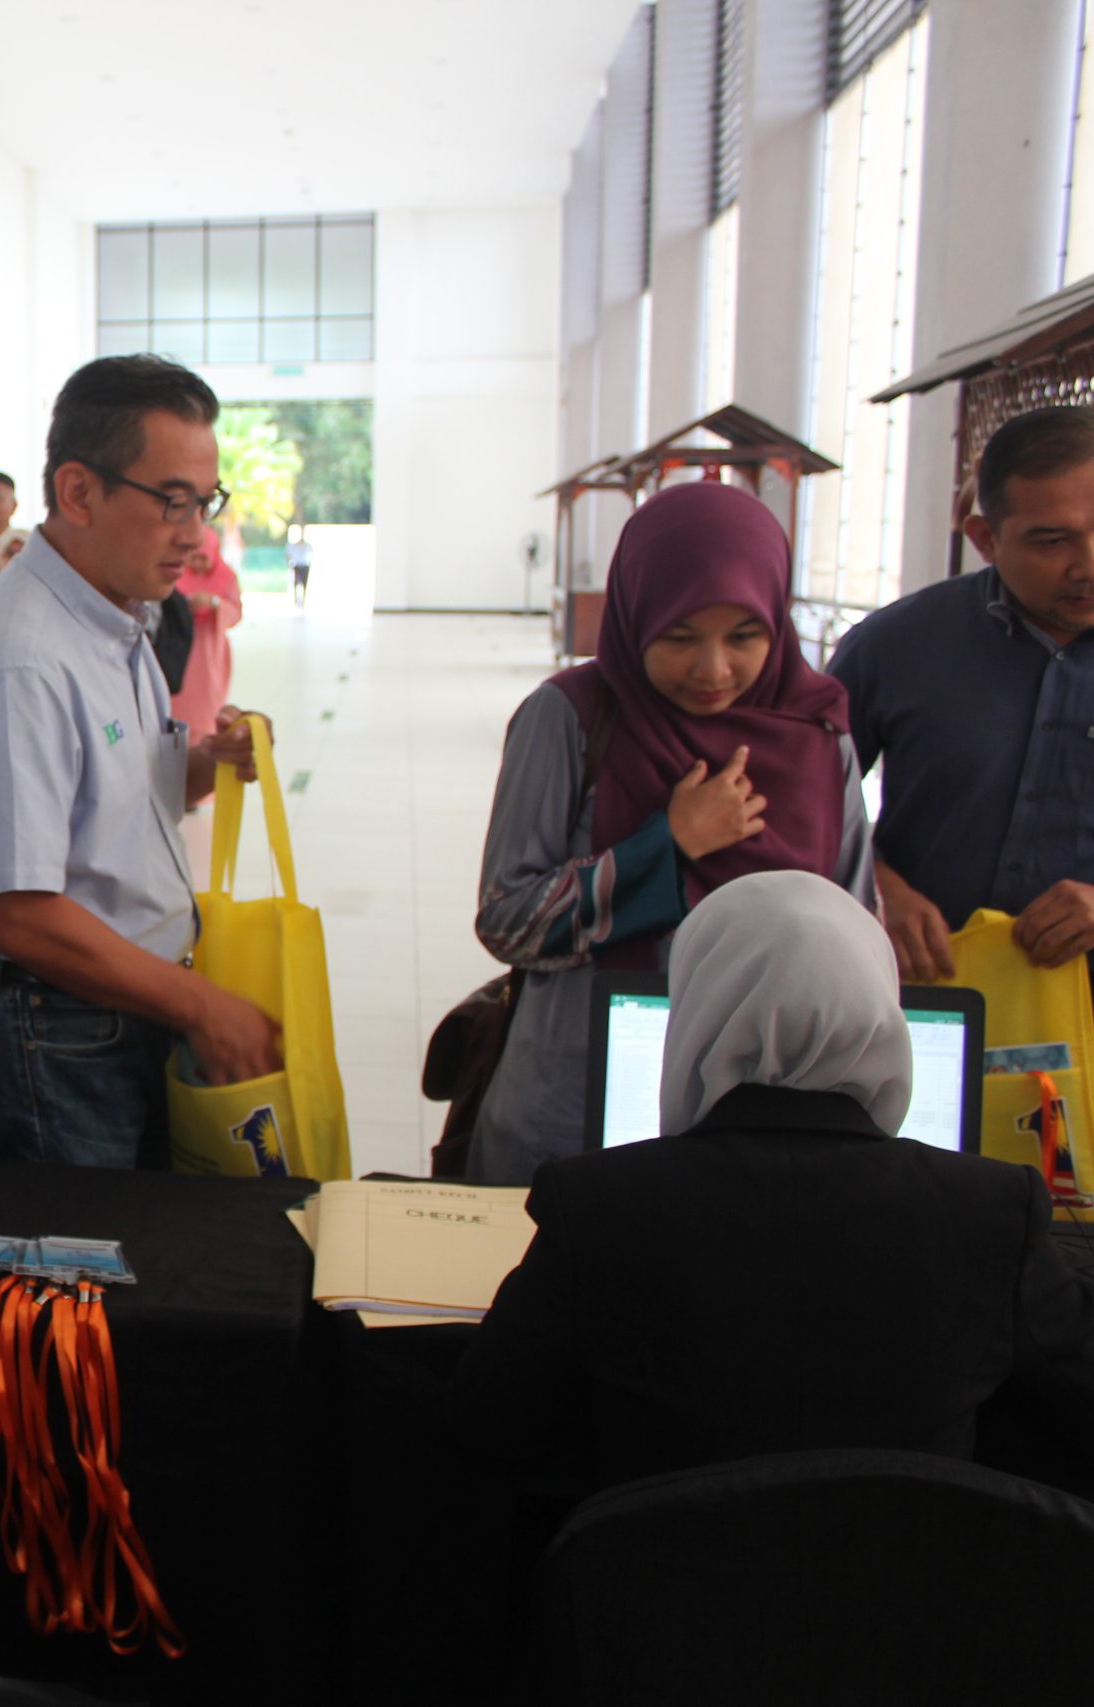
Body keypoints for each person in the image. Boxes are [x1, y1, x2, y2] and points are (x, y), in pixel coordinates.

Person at [451, 871, 1094, 1491]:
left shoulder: (596, 1205)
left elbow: (489, 1429)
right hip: (910, 1569)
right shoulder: (993, 1210)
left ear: (697, 1009)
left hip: (667, 1568)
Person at [0, 355, 275, 1169]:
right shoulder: (22, 661)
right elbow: (19, 913)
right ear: (79, 491)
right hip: (48, 1033)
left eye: (205, 502)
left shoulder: (113, 619)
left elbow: (123, 798)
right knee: (81, 1252)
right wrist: (201, 1004)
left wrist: (209, 759)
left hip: (104, 1012)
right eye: (172, 501)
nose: (195, 533)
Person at [468, 480, 875, 1186]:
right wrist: (666, 848)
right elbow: (508, 920)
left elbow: (857, 936)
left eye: (744, 635)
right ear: (633, 616)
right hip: (575, 1104)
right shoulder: (569, 717)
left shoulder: (817, 736)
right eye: (679, 637)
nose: (712, 669)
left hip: (757, 1118)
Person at [830, 405, 1094, 983]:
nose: (1087, 566)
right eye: (1053, 541)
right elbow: (801, 801)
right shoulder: (894, 646)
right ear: (985, 539)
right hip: (920, 992)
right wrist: (874, 885)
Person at [170, 527, 243, 740]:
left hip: (210, 652)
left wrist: (213, 602)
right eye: (194, 558)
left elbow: (236, 613)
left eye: (204, 558)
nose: (198, 564)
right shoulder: (174, 574)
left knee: (207, 706)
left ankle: (204, 743)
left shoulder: (226, 577)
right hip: (177, 646)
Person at [286, 523, 312, 609]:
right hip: (297, 565)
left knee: (304, 584)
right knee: (296, 583)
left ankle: (302, 601)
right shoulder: (293, 545)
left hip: (304, 565)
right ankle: (296, 600)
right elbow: (289, 554)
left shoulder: (307, 545)